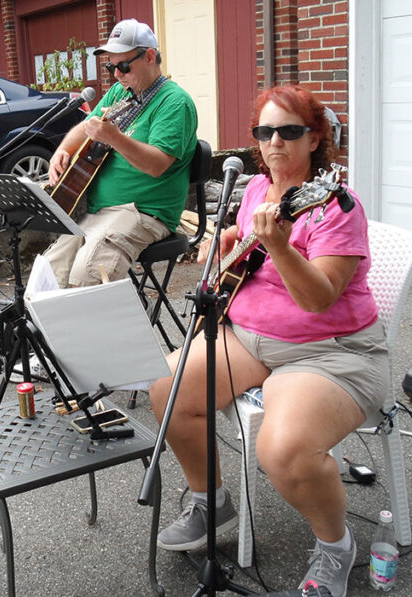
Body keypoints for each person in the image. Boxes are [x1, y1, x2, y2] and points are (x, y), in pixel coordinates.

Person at [149, 85, 389, 597]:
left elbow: (319, 298)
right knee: (164, 387)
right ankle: (210, 501)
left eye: (290, 131)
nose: (275, 142)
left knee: (282, 450)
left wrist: (280, 246)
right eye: (265, 131)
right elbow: (242, 263)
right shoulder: (258, 188)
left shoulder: (335, 208)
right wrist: (232, 246)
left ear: (315, 137)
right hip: (251, 337)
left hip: (331, 351)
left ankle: (335, 548)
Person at [43, 18, 198, 287]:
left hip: (144, 213)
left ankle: (114, 322)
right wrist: (62, 150)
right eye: (111, 66)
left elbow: (157, 164)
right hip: (100, 213)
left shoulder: (174, 102)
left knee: (85, 276)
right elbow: (86, 127)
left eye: (124, 66)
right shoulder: (120, 92)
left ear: (150, 56)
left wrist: (114, 138)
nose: (116, 74)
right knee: (49, 274)